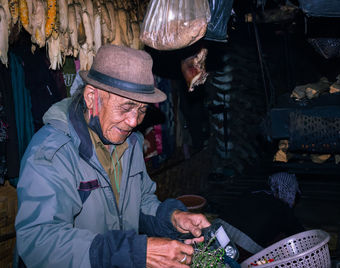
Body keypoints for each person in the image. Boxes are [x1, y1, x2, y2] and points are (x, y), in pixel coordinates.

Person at [15, 44, 211, 268]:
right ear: (91, 97)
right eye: (126, 107)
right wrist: (131, 252)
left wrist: (172, 218)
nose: (134, 121)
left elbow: (141, 202)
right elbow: (39, 242)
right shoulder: (52, 152)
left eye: (142, 110)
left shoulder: (130, 143)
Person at [217, 172, 304, 253]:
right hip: (244, 248)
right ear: (290, 191)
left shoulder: (252, 192)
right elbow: (300, 234)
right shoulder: (283, 208)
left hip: (216, 233)